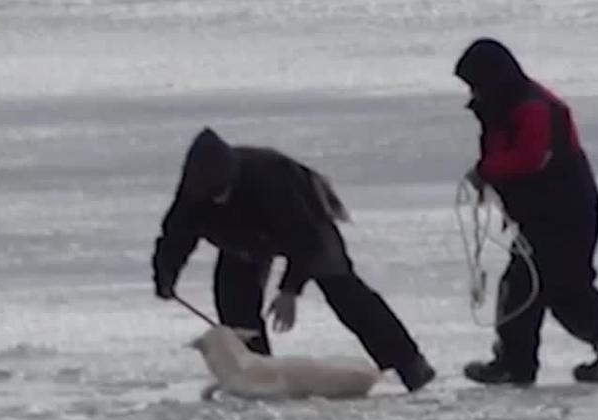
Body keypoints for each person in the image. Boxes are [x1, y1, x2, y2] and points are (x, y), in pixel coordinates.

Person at [151, 127, 437, 392]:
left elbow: (305, 239)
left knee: (346, 293)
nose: (218, 199)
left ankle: (409, 364)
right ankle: (257, 374)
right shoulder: (193, 191)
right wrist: (165, 275)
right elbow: (176, 235)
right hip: (244, 238)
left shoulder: (271, 177)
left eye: (222, 191)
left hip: (306, 224)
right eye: (211, 195)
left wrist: (290, 290)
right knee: (234, 298)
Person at [453, 38, 598, 385]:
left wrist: (486, 171)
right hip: (542, 214)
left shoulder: (535, 108)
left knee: (550, 287)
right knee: (538, 287)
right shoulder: (507, 104)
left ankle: (523, 362)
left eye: (476, 84)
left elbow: (531, 158)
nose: (473, 92)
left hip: (566, 213)